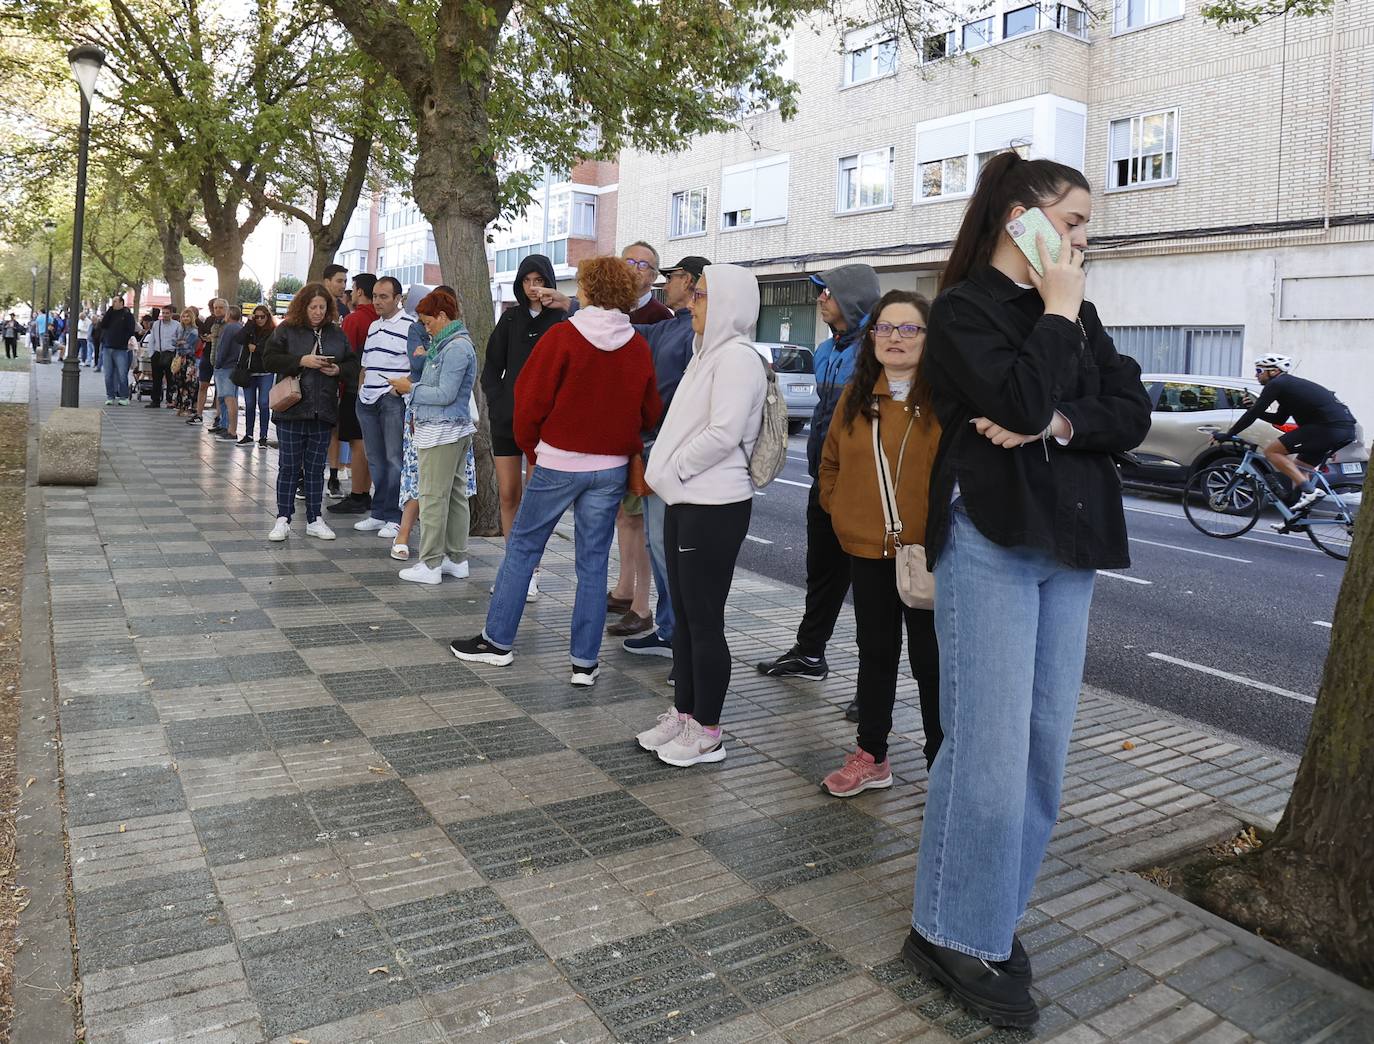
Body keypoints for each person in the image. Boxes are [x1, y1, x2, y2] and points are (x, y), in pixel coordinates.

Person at [902, 152, 1151, 1028]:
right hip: (993, 539)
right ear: (1021, 218)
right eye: (1072, 222)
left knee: (1042, 750)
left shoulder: (1081, 314)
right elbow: (1010, 394)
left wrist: (1057, 423)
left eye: (1086, 224)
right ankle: (951, 930)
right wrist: (1054, 316)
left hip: (1071, 544)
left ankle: (987, 913)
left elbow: (1130, 411)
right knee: (989, 751)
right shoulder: (967, 308)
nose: (1084, 239)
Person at [450, 256, 661, 685]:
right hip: (611, 468)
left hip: (558, 462)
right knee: (593, 563)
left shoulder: (563, 337)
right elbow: (650, 411)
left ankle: (497, 641)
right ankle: (584, 662)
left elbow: (529, 401)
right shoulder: (636, 344)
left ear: (587, 289)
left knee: (524, 549)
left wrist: (535, 449)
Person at [635, 264, 766, 767]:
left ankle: (708, 730)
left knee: (704, 619)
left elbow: (723, 433)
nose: (693, 302)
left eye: (703, 295)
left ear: (729, 302)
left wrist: (672, 469)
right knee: (687, 617)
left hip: (712, 503)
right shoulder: (707, 353)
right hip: (687, 497)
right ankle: (686, 714)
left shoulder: (735, 358)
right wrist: (672, 478)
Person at [816, 291, 942, 798]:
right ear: (871, 338)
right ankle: (872, 754)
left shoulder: (947, 400)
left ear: (930, 339)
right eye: (885, 328)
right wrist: (841, 507)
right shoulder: (857, 395)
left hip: (929, 555)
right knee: (875, 654)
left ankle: (943, 765)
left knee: (932, 662)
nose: (895, 338)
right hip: (866, 549)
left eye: (909, 329)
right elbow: (829, 463)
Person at [756, 264, 881, 704]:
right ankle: (810, 654)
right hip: (823, 482)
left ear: (849, 299)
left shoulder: (879, 349)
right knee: (822, 575)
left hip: (866, 493)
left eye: (826, 292)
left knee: (872, 592)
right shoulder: (827, 350)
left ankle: (873, 690)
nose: (820, 299)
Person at [618, 255, 709, 661]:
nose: (664, 283)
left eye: (670, 276)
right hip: (655, 449)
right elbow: (628, 330)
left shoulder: (702, 334)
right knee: (659, 543)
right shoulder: (669, 327)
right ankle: (671, 628)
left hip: (677, 453)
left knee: (674, 547)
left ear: (688, 280)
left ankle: (681, 635)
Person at [480, 254, 568, 602]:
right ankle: (512, 567)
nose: (533, 287)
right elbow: (491, 368)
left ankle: (531, 571)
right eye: (527, 280)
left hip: (544, 425)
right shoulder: (511, 317)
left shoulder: (561, 320)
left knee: (534, 500)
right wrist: (500, 401)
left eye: (539, 279)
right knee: (508, 495)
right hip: (507, 420)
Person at [385, 288, 478, 583]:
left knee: (433, 497)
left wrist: (409, 388)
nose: (426, 328)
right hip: (450, 429)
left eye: (428, 322)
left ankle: (431, 564)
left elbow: (444, 394)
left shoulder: (455, 348)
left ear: (442, 315)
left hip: (442, 430)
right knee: (453, 495)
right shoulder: (452, 344)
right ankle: (455, 558)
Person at [262, 283, 358, 542]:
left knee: (316, 469)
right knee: (289, 467)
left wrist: (338, 370)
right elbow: (268, 359)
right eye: (312, 307)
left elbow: (352, 363)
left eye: (322, 307)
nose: (317, 312)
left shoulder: (336, 334)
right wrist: (300, 361)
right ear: (303, 306)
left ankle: (315, 518)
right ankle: (283, 518)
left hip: (323, 411)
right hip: (292, 409)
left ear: (329, 309)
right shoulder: (286, 330)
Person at [1218, 355, 1358, 514]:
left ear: (1274, 371)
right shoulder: (1289, 387)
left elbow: (1253, 415)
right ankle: (1295, 515)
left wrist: (1228, 435)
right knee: (1301, 468)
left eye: (1259, 370)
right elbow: (1279, 419)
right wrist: (1253, 409)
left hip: (1325, 428)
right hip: (1343, 429)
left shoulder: (1277, 383)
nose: (1256, 375)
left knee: (1272, 451)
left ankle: (1310, 492)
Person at [353, 276, 411, 540]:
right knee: (375, 459)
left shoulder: (411, 326)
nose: (377, 301)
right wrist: (361, 389)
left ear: (398, 298)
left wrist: (394, 391)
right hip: (366, 400)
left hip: (391, 401)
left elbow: (417, 367)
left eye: (384, 296)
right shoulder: (374, 326)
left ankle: (395, 516)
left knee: (394, 459)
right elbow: (366, 364)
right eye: (375, 296)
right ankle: (378, 513)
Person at [328, 274, 377, 515]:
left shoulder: (355, 319)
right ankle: (363, 492)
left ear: (359, 292)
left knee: (358, 443)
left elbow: (342, 354)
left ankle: (358, 493)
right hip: (376, 390)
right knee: (367, 443)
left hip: (354, 388)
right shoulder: (380, 319)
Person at [233, 305, 277, 446]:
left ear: (267, 317)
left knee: (264, 403)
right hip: (248, 372)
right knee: (249, 404)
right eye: (256, 317)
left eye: (262, 317)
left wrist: (257, 349)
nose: (259, 319)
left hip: (265, 372)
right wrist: (248, 324)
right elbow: (238, 339)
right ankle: (249, 434)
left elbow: (274, 349)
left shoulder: (273, 331)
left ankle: (263, 436)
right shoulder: (250, 329)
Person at [190, 298, 226, 426]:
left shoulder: (227, 322)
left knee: (220, 388)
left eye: (219, 307)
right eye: (214, 307)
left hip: (220, 357)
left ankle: (219, 416)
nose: (216, 310)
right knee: (203, 385)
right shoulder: (210, 320)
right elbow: (203, 332)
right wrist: (205, 337)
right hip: (207, 355)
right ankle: (199, 414)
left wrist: (214, 337)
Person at [99, 295, 137, 405]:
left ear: (121, 303)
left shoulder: (127, 315)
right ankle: (110, 395)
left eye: (115, 301)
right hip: (108, 347)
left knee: (122, 373)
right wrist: (109, 311)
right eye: (113, 301)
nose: (113, 303)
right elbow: (103, 324)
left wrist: (123, 340)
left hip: (120, 348)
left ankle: (124, 396)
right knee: (108, 374)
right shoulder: (110, 314)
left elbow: (130, 330)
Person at [142, 307, 181, 407]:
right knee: (156, 378)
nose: (165, 315)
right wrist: (151, 354)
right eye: (163, 313)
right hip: (158, 353)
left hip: (170, 353)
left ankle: (169, 400)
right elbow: (152, 339)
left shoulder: (177, 325)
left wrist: (177, 355)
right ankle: (155, 400)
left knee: (170, 378)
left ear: (171, 314)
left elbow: (179, 339)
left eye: (167, 313)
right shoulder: (156, 324)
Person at [170, 307, 201, 414]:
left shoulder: (194, 330)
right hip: (179, 358)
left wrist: (180, 343)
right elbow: (173, 341)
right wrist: (180, 342)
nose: (185, 318)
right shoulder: (179, 328)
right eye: (183, 316)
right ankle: (179, 405)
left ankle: (188, 406)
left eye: (187, 316)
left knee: (189, 383)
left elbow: (188, 345)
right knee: (178, 382)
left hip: (189, 360)